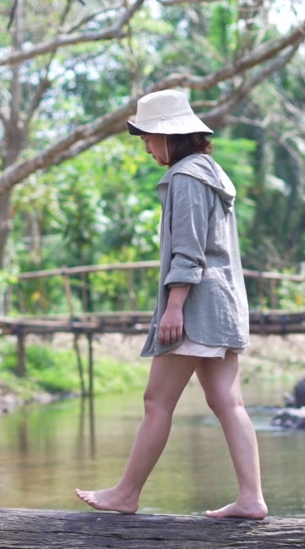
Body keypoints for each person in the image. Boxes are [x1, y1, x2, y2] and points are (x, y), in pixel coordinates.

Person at [75, 89, 268, 520]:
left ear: (170, 137)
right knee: (228, 403)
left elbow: (189, 250)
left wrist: (174, 306)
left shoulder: (186, 177)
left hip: (198, 307)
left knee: (156, 402)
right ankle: (251, 498)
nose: (145, 146)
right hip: (224, 306)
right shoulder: (212, 172)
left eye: (147, 137)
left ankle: (126, 493)